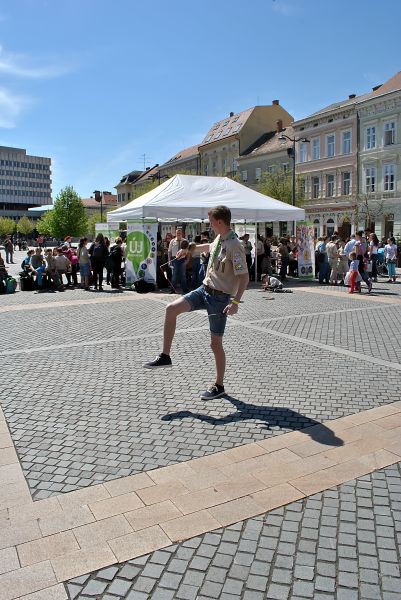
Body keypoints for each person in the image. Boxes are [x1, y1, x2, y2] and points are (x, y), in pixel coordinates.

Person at [144, 205, 249, 400]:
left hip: (219, 298)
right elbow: (208, 247)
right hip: (204, 290)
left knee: (215, 344)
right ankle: (165, 356)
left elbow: (244, 277)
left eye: (211, 221)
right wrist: (188, 250)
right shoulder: (220, 238)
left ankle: (219, 385)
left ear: (219, 222)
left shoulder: (235, 245)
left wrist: (235, 302)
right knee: (171, 309)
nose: (209, 225)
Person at [168, 228, 188, 294]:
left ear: (181, 233)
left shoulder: (185, 241)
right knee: (174, 275)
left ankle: (184, 289)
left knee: (183, 275)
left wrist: (187, 260)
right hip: (174, 259)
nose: (178, 234)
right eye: (177, 233)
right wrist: (169, 261)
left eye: (179, 233)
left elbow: (188, 251)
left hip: (182, 259)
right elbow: (169, 252)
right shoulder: (172, 241)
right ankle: (172, 289)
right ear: (175, 234)